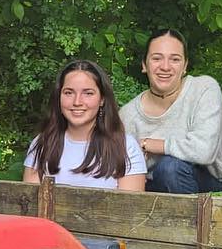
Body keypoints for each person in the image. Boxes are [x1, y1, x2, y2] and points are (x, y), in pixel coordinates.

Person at [119, 28, 222, 193]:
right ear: (144, 65)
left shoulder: (203, 89)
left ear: (184, 66)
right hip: (152, 190)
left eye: (175, 59)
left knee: (170, 168)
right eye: (157, 58)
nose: (165, 67)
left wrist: (149, 144)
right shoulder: (127, 115)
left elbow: (204, 151)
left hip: (206, 185)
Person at [23, 59, 146, 191]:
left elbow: (130, 203)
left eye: (88, 93)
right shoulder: (42, 144)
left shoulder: (126, 148)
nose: (77, 102)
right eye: (69, 93)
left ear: (102, 99)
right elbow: (29, 200)